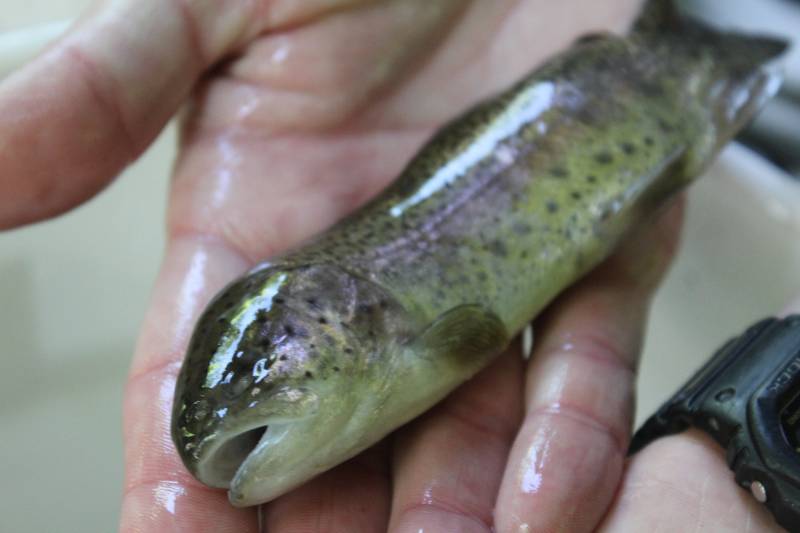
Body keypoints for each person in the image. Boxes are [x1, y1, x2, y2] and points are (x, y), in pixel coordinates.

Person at [0, 0, 791, 531]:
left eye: (268, 362)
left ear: (341, 319)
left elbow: (466, 334)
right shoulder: (361, 332)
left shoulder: (396, 331)